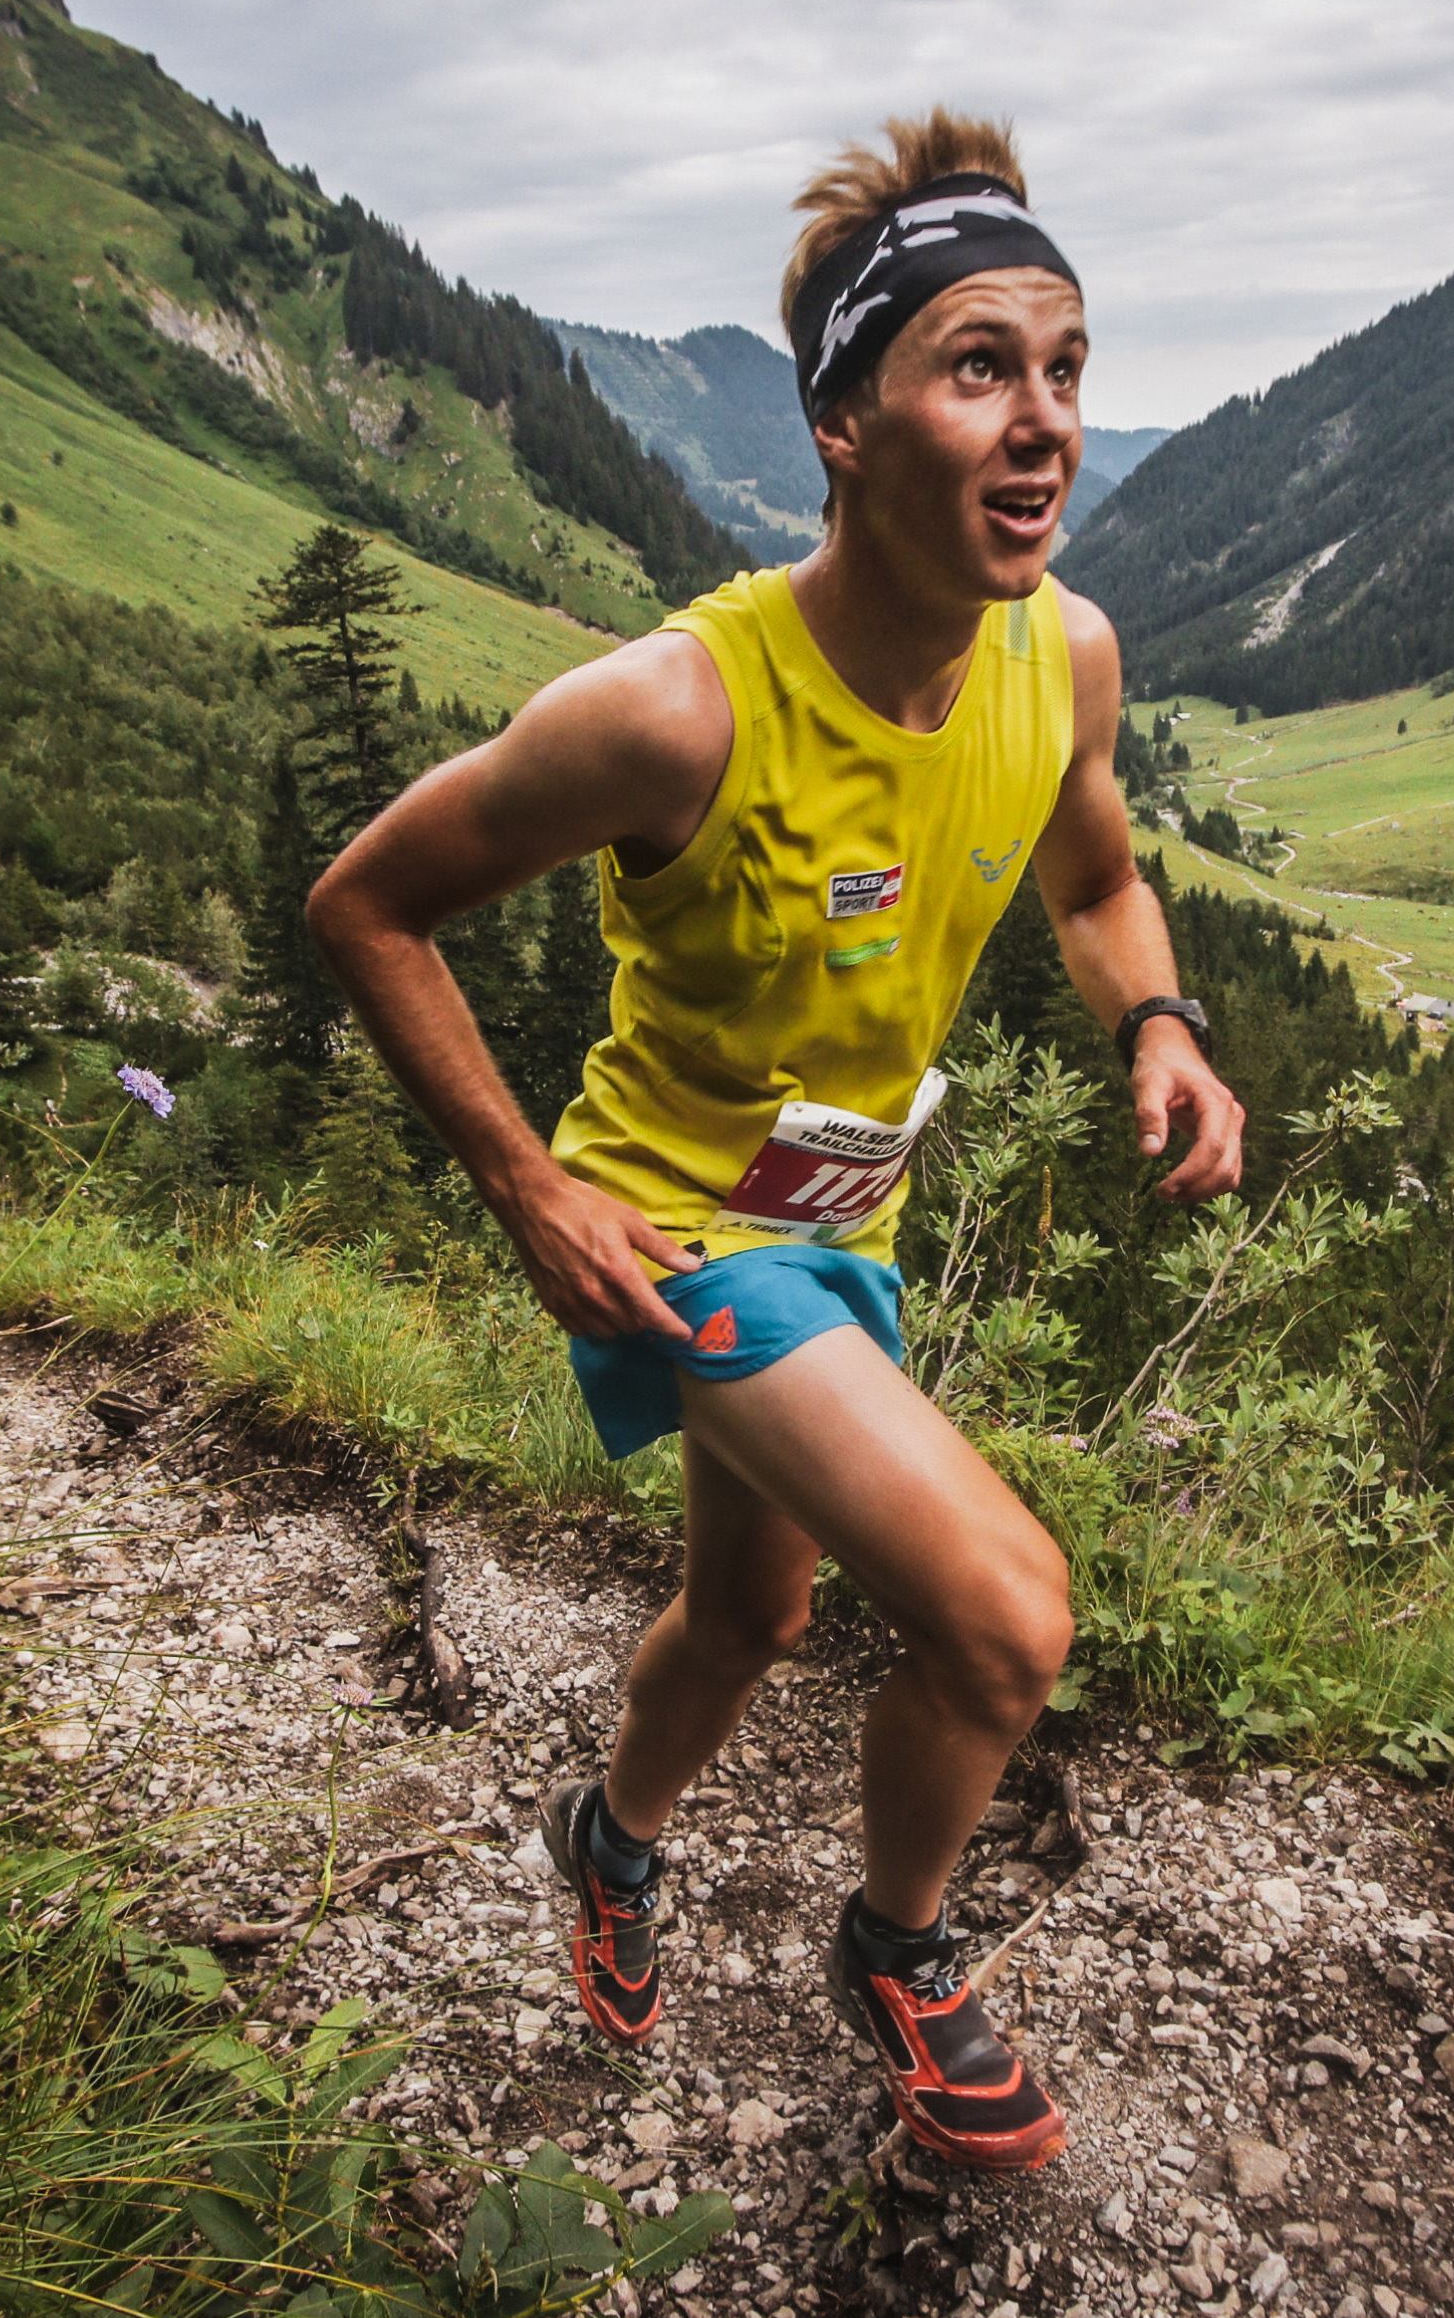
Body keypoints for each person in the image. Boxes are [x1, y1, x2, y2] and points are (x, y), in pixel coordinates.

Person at [309, 109, 1245, 2172]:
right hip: (672, 1230)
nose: (1041, 424)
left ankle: (607, 1836)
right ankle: (899, 1949)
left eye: (1067, 367)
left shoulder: (1058, 653)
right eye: (975, 366)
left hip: (847, 1220)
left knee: (752, 1618)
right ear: (841, 418)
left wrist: (1158, 1021)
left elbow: (1094, 886)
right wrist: (523, 1179)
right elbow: (363, 903)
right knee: (1004, 1609)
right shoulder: (676, 711)